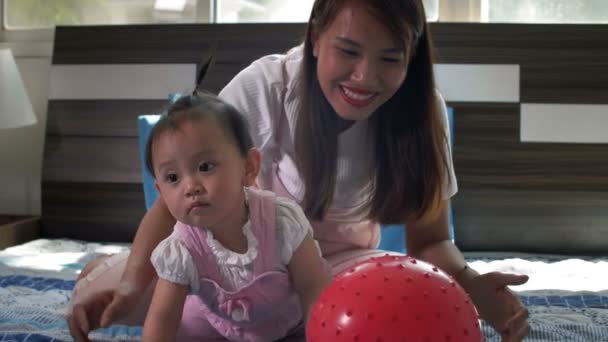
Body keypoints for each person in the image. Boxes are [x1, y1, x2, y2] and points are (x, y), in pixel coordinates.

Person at [67, 0, 530, 341]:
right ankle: (106, 267)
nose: (364, 78)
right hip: (234, 259)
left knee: (401, 320)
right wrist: (131, 280)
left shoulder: (422, 110)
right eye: (347, 51)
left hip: (339, 267)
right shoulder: (266, 88)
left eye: (390, 59)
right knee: (112, 302)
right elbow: (181, 204)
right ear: (314, 36)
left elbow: (429, 240)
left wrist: (469, 284)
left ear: (411, 58)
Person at [140, 91, 329, 341]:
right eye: (173, 178)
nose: (190, 186)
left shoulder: (280, 222)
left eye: (205, 167)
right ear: (161, 192)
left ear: (248, 167)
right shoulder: (181, 250)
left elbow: (313, 287)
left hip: (291, 325)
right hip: (222, 330)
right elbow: (163, 319)